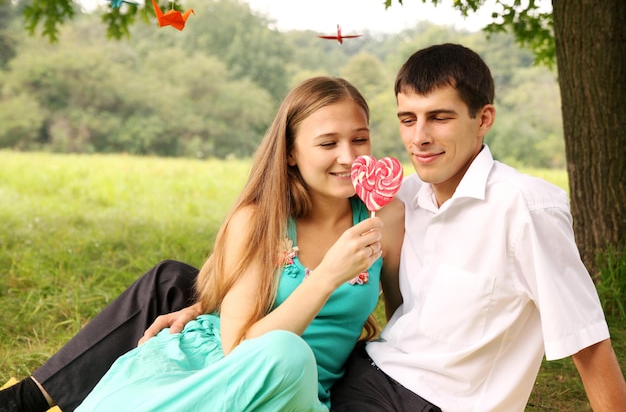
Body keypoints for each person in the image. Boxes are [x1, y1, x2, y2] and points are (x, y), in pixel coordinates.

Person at [2, 76, 404, 412]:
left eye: (360, 139)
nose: (349, 157)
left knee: (293, 358)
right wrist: (327, 277)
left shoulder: (385, 219)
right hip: (211, 373)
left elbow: (405, 320)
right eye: (328, 143)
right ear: (291, 154)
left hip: (297, 394)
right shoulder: (258, 221)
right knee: (286, 349)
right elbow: (239, 347)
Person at [328, 43, 626, 411]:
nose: (418, 138)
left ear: (484, 119)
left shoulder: (524, 206)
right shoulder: (406, 197)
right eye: (408, 119)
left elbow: (588, 341)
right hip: (369, 374)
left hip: (443, 401)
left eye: (439, 117)